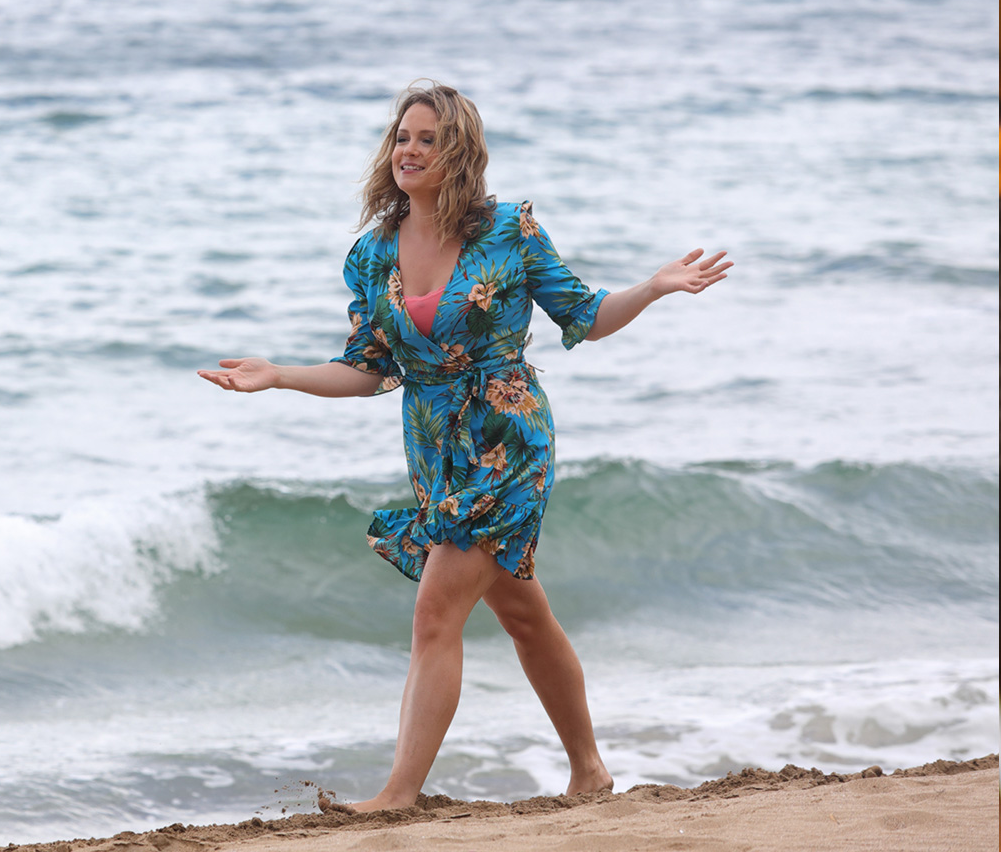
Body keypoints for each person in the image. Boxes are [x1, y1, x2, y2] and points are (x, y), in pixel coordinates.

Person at [199, 81, 729, 813]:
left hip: (509, 440)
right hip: (435, 454)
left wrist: (654, 286)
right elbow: (368, 369)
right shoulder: (372, 254)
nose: (409, 151)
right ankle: (589, 771)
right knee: (523, 616)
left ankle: (398, 794)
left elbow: (584, 315)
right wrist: (280, 375)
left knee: (435, 613)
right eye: (402, 138)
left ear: (460, 154)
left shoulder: (509, 231)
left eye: (429, 140)